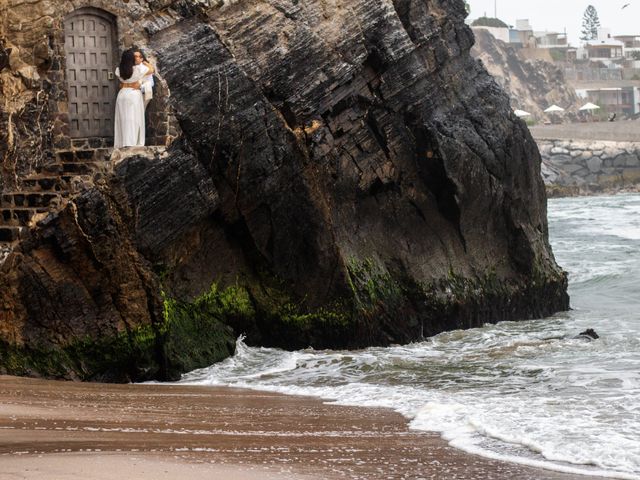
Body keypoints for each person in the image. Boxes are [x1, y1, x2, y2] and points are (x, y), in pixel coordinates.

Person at [113, 49, 154, 148]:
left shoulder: (119, 70)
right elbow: (152, 70)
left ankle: (122, 142)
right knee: (133, 119)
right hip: (133, 94)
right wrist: (144, 62)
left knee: (122, 119)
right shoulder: (138, 69)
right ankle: (131, 142)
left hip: (122, 94)